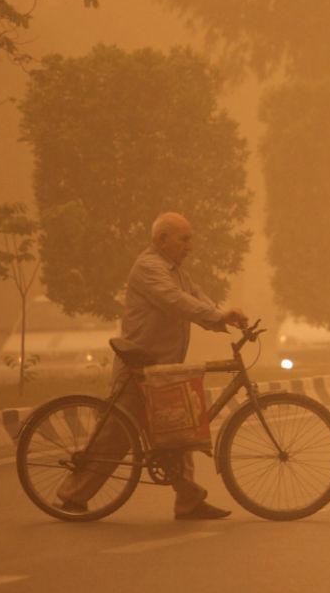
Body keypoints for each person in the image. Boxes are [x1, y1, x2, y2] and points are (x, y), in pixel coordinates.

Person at [56, 211, 247, 521]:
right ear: (162, 240)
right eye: (184, 239)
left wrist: (224, 315)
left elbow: (196, 297)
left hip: (163, 370)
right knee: (116, 436)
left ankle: (189, 501)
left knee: (179, 434)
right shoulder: (150, 268)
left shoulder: (176, 271)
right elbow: (174, 301)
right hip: (140, 368)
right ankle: (72, 497)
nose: (190, 246)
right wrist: (215, 317)